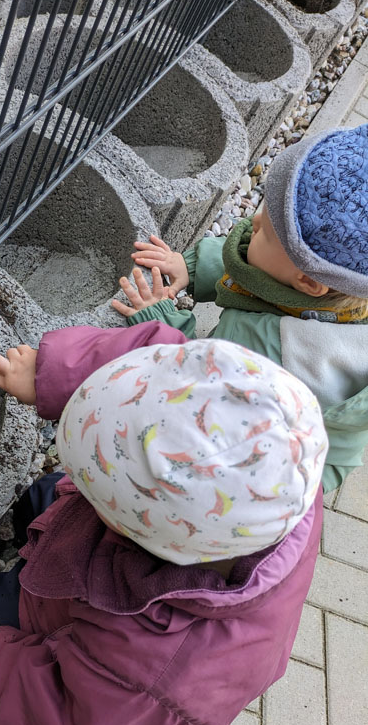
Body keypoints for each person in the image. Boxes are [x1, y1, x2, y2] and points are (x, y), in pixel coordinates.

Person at [0, 323, 327, 725]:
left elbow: (70, 709)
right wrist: (53, 375)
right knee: (43, 493)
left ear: (145, 537)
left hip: (84, 640)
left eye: (99, 496)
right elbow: (160, 356)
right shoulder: (276, 468)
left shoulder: (154, 671)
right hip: (112, 591)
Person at [111, 122, 368, 494]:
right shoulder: (348, 293)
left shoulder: (262, 346)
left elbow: (193, 375)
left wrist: (160, 321)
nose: (255, 220)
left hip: (242, 459)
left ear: (309, 282)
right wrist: (194, 267)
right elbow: (263, 278)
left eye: (267, 232)